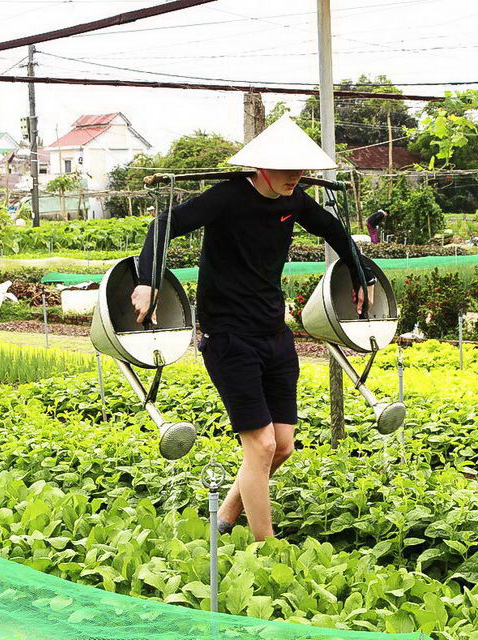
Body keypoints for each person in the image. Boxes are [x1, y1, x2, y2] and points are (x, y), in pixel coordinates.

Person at [132, 116, 375, 541]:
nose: (296, 177)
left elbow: (337, 232)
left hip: (274, 334)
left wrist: (361, 277)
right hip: (227, 337)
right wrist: (148, 280)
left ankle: (224, 515)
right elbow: (162, 226)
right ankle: (267, 548)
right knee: (260, 447)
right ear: (261, 166)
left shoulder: (295, 201)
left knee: (281, 446)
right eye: (286, 168)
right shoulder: (227, 197)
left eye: (301, 170)